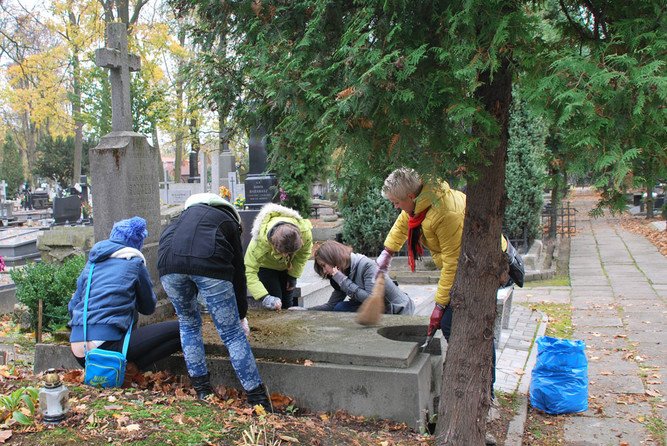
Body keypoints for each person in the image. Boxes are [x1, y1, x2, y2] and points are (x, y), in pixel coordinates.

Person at [158, 193, 272, 411]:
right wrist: (240, 314)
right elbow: (239, 272)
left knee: (188, 324)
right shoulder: (227, 220)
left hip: (168, 267)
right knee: (231, 333)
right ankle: (258, 399)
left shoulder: (179, 219)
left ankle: (202, 390)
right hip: (209, 266)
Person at [68, 216, 182, 372]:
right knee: (182, 330)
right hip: (105, 348)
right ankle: (130, 370)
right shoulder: (134, 264)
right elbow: (148, 307)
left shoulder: (92, 263)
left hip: (79, 350)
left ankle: (125, 369)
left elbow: (73, 305)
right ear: (137, 244)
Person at [306, 240, 414, 314]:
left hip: (398, 310)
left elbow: (372, 300)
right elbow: (331, 306)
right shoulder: (341, 273)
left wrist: (343, 281)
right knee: (339, 307)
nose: (324, 271)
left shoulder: (367, 266)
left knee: (342, 309)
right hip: (375, 311)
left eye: (324, 265)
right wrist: (305, 311)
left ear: (333, 259)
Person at [244, 203, 313, 310]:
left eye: (289, 252)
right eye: (282, 252)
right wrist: (265, 297)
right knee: (275, 301)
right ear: (272, 244)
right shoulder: (258, 244)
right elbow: (249, 271)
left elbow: (303, 255)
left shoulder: (304, 232)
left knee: (287, 302)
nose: (286, 255)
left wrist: (293, 276)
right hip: (266, 267)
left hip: (287, 267)